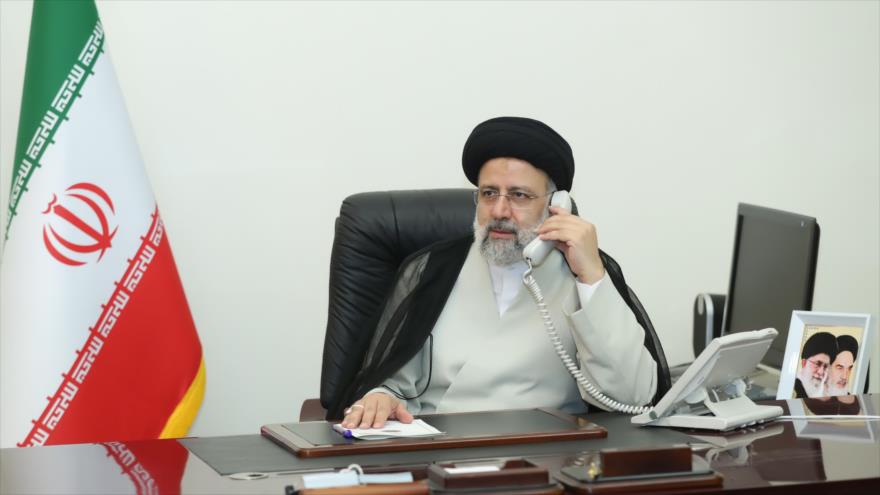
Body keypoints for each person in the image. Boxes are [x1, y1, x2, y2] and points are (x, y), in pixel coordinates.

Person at [335, 116, 668, 428]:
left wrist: (592, 276)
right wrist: (381, 397)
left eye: (519, 195)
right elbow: (396, 383)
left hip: (549, 460)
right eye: (489, 193)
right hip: (439, 457)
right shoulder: (432, 268)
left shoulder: (582, 271)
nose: (499, 210)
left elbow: (633, 398)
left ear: (557, 204)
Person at [793, 331, 836, 398]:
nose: (821, 372)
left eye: (825, 366)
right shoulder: (792, 390)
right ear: (804, 363)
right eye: (817, 364)